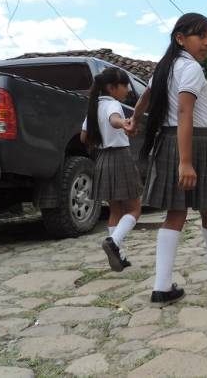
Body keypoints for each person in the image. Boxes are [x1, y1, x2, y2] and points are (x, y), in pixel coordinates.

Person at [141, 13, 207, 307]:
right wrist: (185, 162)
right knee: (199, 208)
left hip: (170, 141)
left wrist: (133, 119)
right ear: (180, 38)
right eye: (202, 36)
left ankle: (175, 282)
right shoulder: (191, 69)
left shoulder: (164, 69)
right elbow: (186, 112)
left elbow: (146, 97)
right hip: (193, 141)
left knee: (189, 210)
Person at [80, 67, 141, 272]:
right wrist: (124, 123)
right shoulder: (113, 104)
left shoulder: (94, 106)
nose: (127, 90)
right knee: (134, 209)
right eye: (124, 86)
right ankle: (113, 242)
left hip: (102, 158)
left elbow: (83, 137)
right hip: (119, 157)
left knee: (116, 209)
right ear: (112, 88)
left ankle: (120, 257)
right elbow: (114, 119)